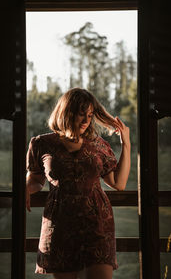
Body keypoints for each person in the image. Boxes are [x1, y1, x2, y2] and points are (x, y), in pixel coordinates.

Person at [26, 87, 131, 279]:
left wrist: (127, 144)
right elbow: (35, 179)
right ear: (66, 112)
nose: (86, 120)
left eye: (90, 115)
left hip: (97, 224)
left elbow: (119, 183)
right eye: (81, 114)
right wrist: (25, 188)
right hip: (60, 224)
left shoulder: (99, 145)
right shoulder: (42, 144)